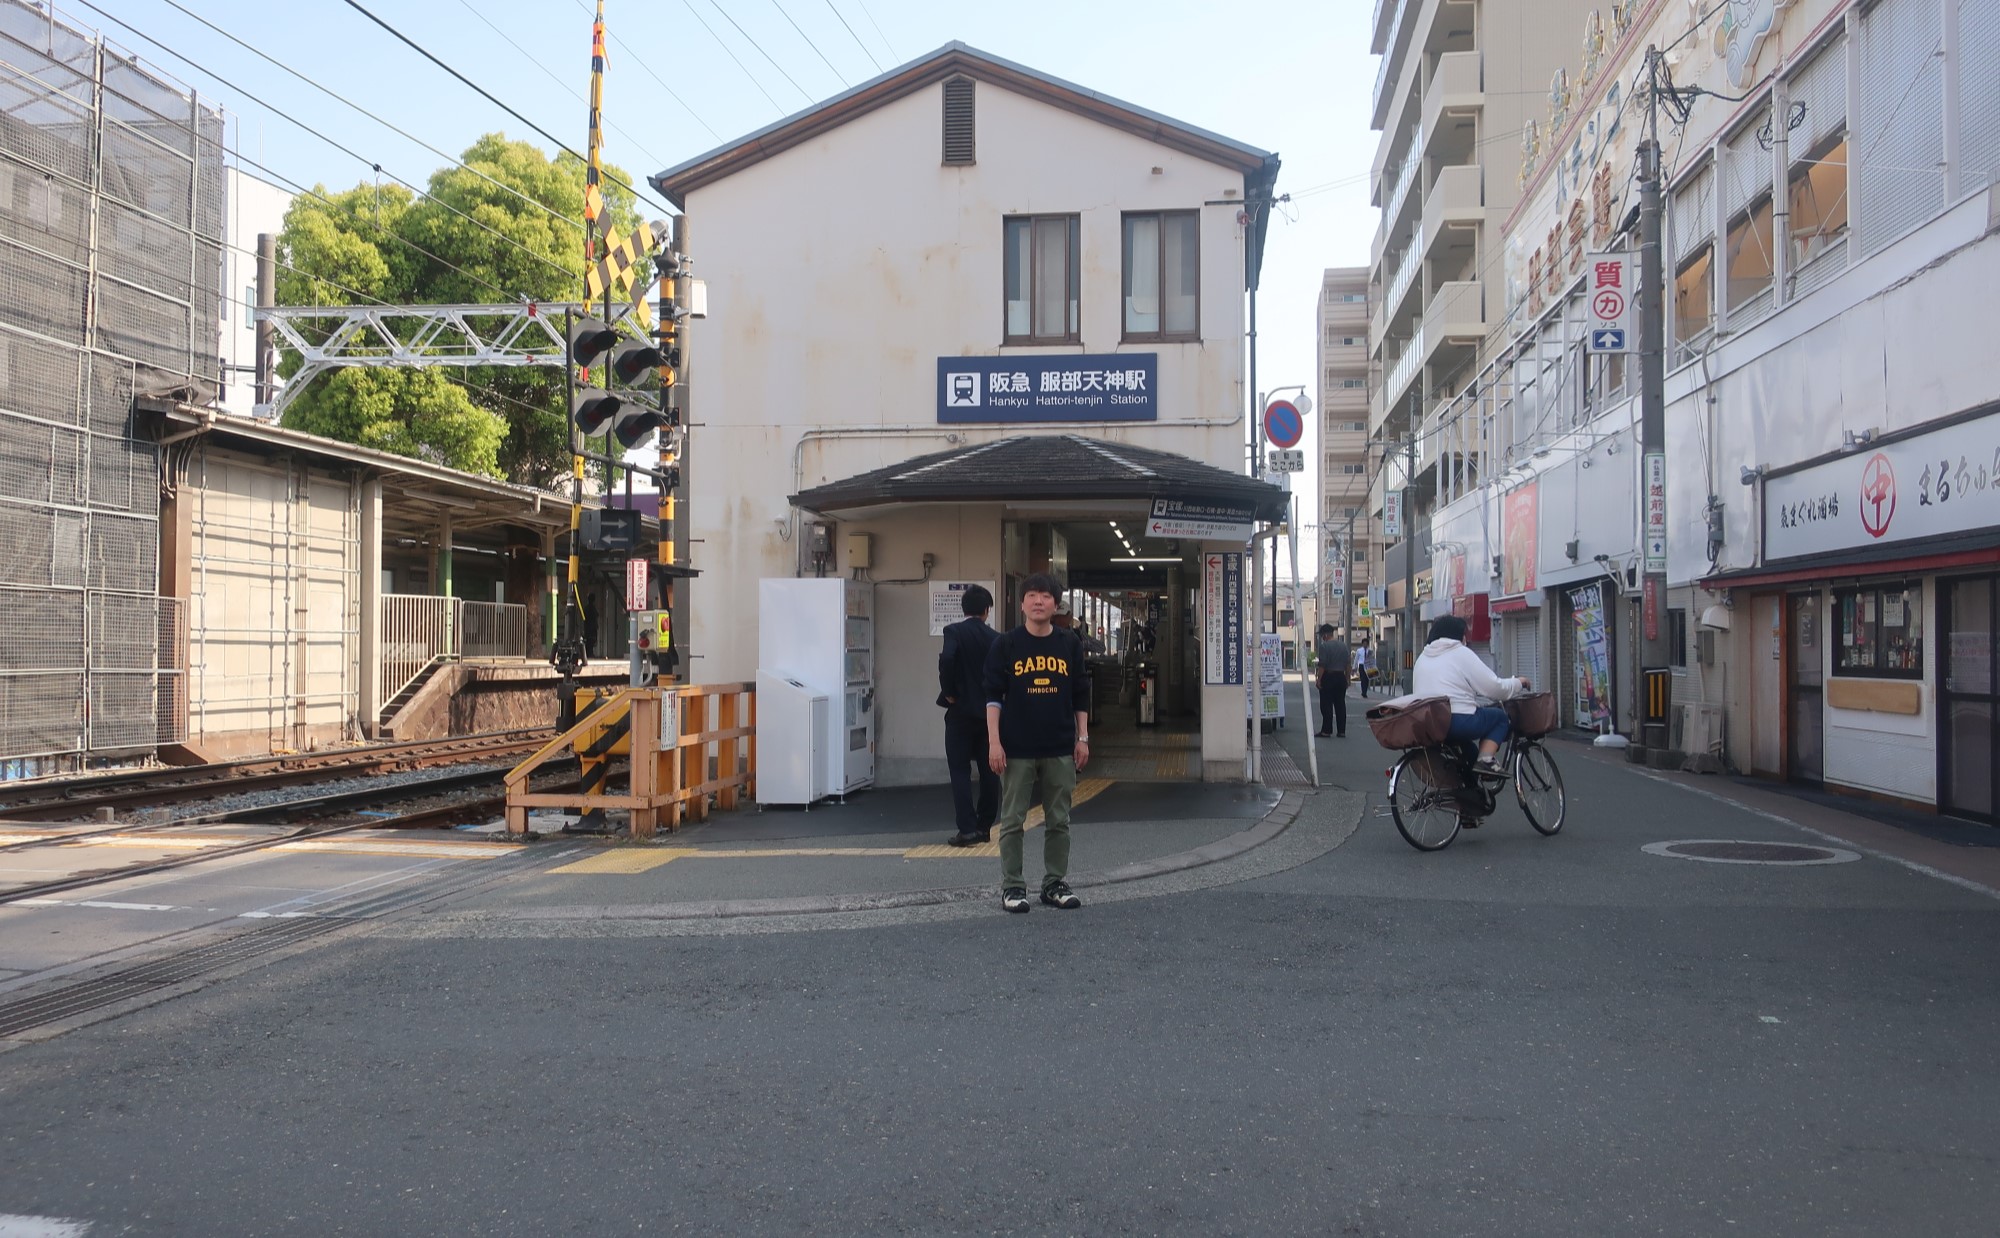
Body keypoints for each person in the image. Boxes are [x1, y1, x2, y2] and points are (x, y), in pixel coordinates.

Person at [984, 572, 1089, 913]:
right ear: (1022, 603)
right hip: (1016, 749)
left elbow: (1080, 694)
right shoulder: (1006, 644)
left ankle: (1054, 883)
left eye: (1046, 596)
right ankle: (1013, 887)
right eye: (1032, 595)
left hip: (1059, 746)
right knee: (1012, 820)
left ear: (1056, 604)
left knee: (1059, 820)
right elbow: (993, 698)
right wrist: (994, 743)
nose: (1039, 601)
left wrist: (1082, 738)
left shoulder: (1069, 643)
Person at [1412, 614, 1528, 776]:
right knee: (1500, 718)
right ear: (1457, 635)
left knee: (1470, 754)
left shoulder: (1422, 657)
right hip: (1457, 721)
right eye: (1464, 634)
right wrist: (1518, 683)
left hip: (1429, 724)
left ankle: (1470, 793)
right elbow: (1493, 688)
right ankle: (1486, 760)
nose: (1466, 639)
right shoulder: (1460, 652)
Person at [936, 585, 999, 847]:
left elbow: (947, 659)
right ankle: (985, 827)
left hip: (960, 712)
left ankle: (967, 829)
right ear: (986, 611)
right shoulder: (996, 638)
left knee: (959, 770)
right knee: (989, 771)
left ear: (964, 609)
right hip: (989, 714)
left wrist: (949, 691)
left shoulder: (954, 631)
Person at [1313, 623, 1350, 738]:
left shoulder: (1324, 647)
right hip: (1341, 677)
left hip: (1329, 677)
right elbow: (1348, 664)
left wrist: (1319, 680)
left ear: (1324, 635)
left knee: (1326, 705)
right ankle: (1341, 731)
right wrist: (1348, 679)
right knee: (1340, 704)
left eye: (1321, 636)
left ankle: (1326, 730)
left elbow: (1322, 665)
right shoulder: (1343, 646)